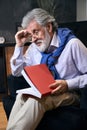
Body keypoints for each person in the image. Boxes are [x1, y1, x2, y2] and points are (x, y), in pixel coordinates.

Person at [6, 8, 87, 130]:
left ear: (48, 27)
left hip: (72, 93)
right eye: (30, 34)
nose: (33, 39)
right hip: (46, 91)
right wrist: (19, 45)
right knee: (21, 96)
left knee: (37, 101)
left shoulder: (73, 44)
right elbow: (16, 72)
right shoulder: (34, 48)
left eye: (36, 32)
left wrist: (67, 84)